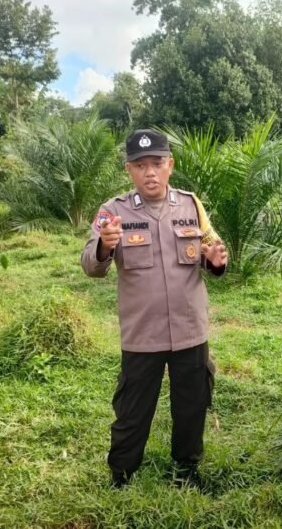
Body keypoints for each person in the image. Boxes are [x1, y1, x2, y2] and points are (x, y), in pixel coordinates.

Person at [81, 128, 227, 488]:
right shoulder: (112, 212)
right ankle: (122, 473)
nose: (150, 172)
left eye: (157, 163)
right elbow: (90, 266)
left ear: (170, 165)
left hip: (189, 328)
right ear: (129, 170)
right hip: (142, 333)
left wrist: (215, 259)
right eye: (140, 165)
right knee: (133, 409)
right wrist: (104, 245)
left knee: (191, 404)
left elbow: (211, 249)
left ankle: (186, 469)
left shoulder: (191, 205)